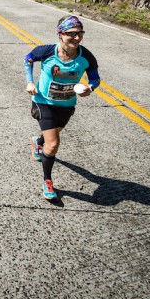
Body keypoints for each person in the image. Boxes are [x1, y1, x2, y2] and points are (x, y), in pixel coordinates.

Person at [24, 15, 100, 200]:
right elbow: (28, 59)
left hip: (67, 104)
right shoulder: (47, 51)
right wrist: (30, 81)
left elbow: (95, 78)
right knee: (53, 144)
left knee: (54, 133)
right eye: (71, 33)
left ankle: (37, 141)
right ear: (60, 34)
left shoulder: (86, 56)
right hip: (43, 101)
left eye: (80, 33)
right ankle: (47, 181)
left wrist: (90, 88)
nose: (77, 37)